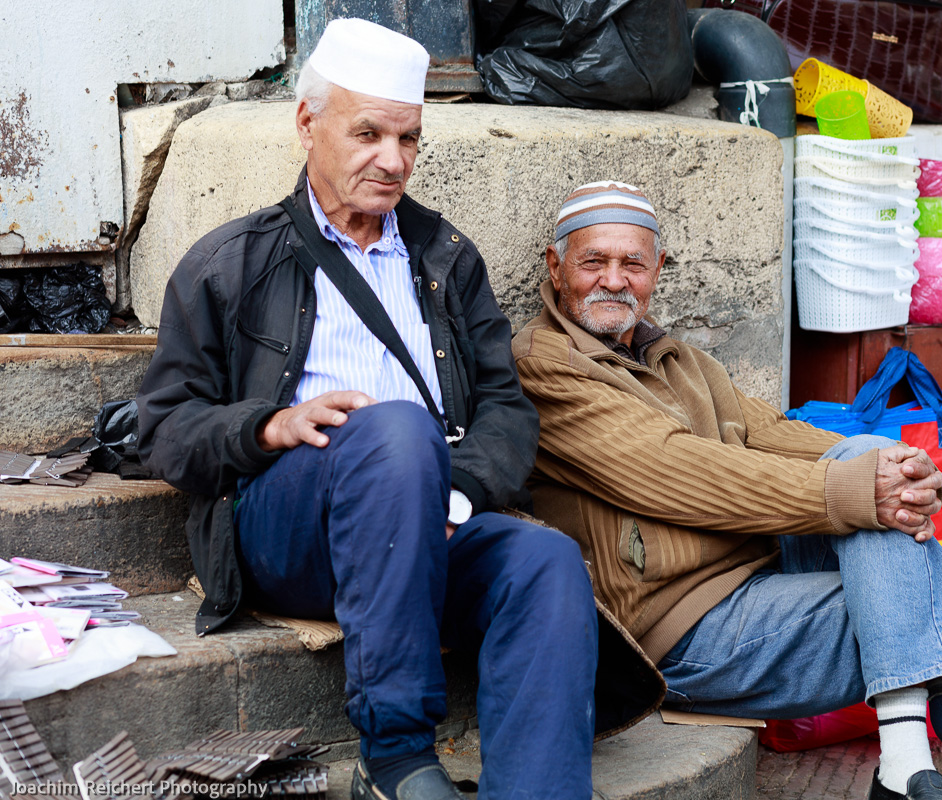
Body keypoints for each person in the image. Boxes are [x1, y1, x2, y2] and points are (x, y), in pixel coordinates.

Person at [137, 20, 600, 800]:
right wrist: (265, 426)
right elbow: (164, 427)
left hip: (427, 517)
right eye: (369, 134)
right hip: (291, 526)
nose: (393, 161)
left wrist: (453, 497)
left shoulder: (446, 259)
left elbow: (506, 411)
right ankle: (396, 758)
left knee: (545, 562)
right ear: (306, 123)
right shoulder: (231, 262)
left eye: (409, 139)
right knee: (394, 428)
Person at [510, 181, 942, 800]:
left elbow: (776, 435)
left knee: (872, 463)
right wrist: (860, 490)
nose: (614, 280)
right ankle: (909, 760)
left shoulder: (681, 362)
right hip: (677, 631)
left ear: (657, 269)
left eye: (633, 263)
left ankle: (906, 761)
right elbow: (675, 470)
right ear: (556, 264)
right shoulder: (544, 364)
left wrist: (901, 469)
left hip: (760, 586)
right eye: (593, 261)